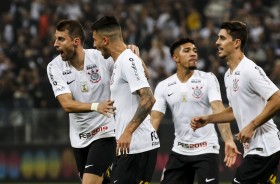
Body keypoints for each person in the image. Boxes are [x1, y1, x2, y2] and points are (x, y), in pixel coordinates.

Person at [47, 20, 140, 184]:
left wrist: (131, 55)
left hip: (105, 131)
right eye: (56, 39)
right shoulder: (54, 67)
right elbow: (67, 104)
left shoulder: (101, 58)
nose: (55, 44)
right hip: (79, 138)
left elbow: (139, 74)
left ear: (75, 42)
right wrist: (97, 106)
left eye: (61, 39)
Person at [191, 21, 280, 184]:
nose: (217, 42)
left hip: (265, 147)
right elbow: (234, 110)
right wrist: (208, 119)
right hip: (255, 149)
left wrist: (252, 125)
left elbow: (278, 99)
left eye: (222, 38)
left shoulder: (249, 70)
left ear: (236, 43)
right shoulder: (228, 75)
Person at [151, 37, 240, 184]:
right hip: (179, 151)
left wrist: (229, 140)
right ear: (175, 57)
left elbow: (218, 109)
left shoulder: (208, 79)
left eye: (195, 50)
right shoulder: (164, 86)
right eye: (187, 51)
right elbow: (154, 119)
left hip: (206, 150)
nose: (193, 54)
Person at [91, 15, 160, 184]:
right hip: (129, 148)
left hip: (137, 147)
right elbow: (146, 75)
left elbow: (149, 99)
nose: (94, 45)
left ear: (105, 40)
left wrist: (127, 131)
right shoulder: (124, 60)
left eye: (95, 40)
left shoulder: (127, 61)